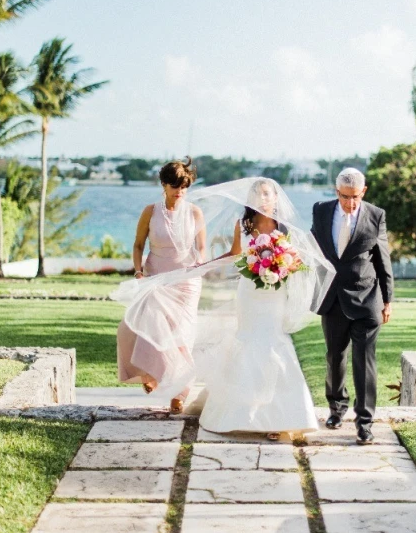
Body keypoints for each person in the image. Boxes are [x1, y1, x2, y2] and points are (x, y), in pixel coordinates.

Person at [198, 178, 325, 440]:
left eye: (267, 194)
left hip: (275, 297)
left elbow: (298, 261)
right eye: (257, 194)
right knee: (247, 344)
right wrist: (204, 266)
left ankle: (279, 418)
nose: (262, 199)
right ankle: (240, 413)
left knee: (274, 345)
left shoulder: (286, 228)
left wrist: (283, 267)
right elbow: (235, 254)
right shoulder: (243, 226)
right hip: (248, 296)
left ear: (276, 198)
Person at [311, 167, 393, 444]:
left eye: (355, 197)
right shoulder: (321, 211)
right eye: (345, 197)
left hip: (367, 297)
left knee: (364, 360)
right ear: (337, 192)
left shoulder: (376, 215)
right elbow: (312, 249)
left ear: (363, 191)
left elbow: (383, 260)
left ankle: (365, 422)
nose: (350, 203)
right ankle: (336, 408)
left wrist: (388, 300)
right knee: (335, 356)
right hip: (333, 297)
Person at [116, 157, 205, 412]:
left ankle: (180, 391)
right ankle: (149, 374)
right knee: (138, 330)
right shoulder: (150, 211)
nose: (180, 192)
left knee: (181, 336)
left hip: (186, 282)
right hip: (155, 279)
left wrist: (200, 262)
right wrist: (138, 271)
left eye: (185, 186)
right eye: (176, 186)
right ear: (164, 185)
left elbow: (201, 247)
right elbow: (137, 245)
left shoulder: (195, 212)